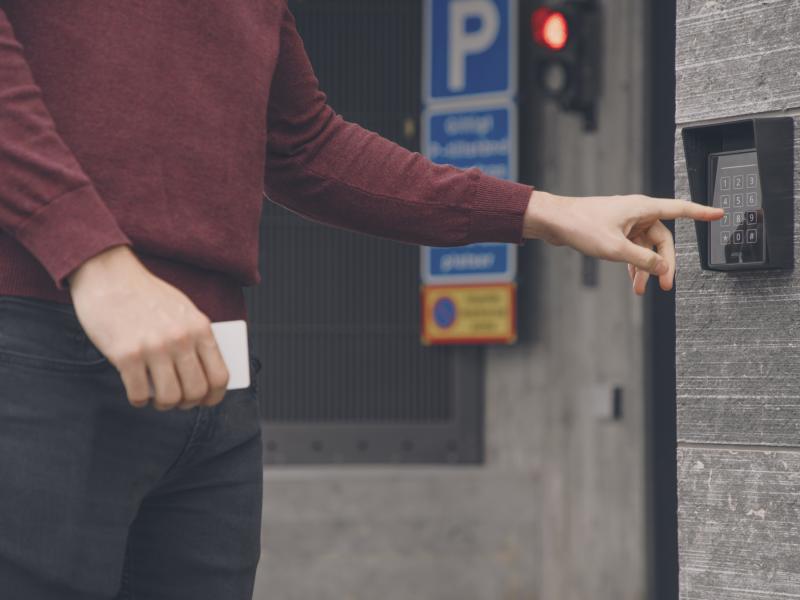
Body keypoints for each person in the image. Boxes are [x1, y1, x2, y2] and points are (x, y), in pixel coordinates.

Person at [0, 2, 722, 599]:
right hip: (37, 348)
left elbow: (307, 147)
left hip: (217, 386)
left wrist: (545, 211)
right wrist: (93, 261)